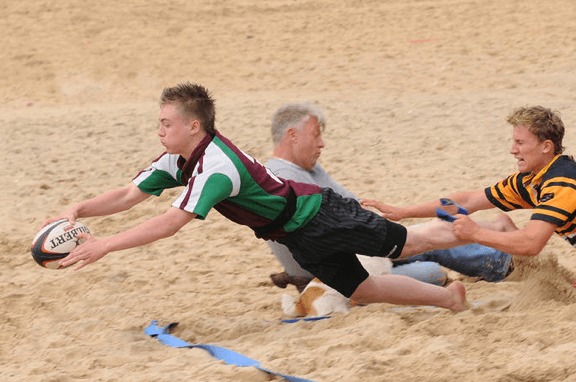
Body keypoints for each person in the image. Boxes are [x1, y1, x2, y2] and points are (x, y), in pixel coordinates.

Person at [42, 82, 473, 312]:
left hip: (319, 214)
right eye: (158, 122)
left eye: (166, 123)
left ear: (194, 126)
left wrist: (105, 246)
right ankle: (447, 299)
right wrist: (79, 210)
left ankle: (493, 236)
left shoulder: (217, 165)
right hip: (297, 235)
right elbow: (126, 194)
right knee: (362, 289)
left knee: (413, 242)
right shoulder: (178, 158)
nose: (159, 131)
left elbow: (171, 223)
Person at [266, 101, 514, 292]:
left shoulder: (306, 169)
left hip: (356, 252)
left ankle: (499, 258)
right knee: (429, 261)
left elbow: (352, 206)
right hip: (334, 272)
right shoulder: (284, 177)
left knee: (423, 240)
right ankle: (501, 258)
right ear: (292, 135)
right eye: (316, 135)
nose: (321, 144)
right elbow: (333, 225)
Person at [361, 105, 573, 260]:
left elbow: (532, 243)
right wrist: (404, 212)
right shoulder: (531, 179)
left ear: (546, 147)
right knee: (446, 229)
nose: (512, 149)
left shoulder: (561, 180)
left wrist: (476, 233)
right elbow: (467, 200)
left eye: (520, 142)